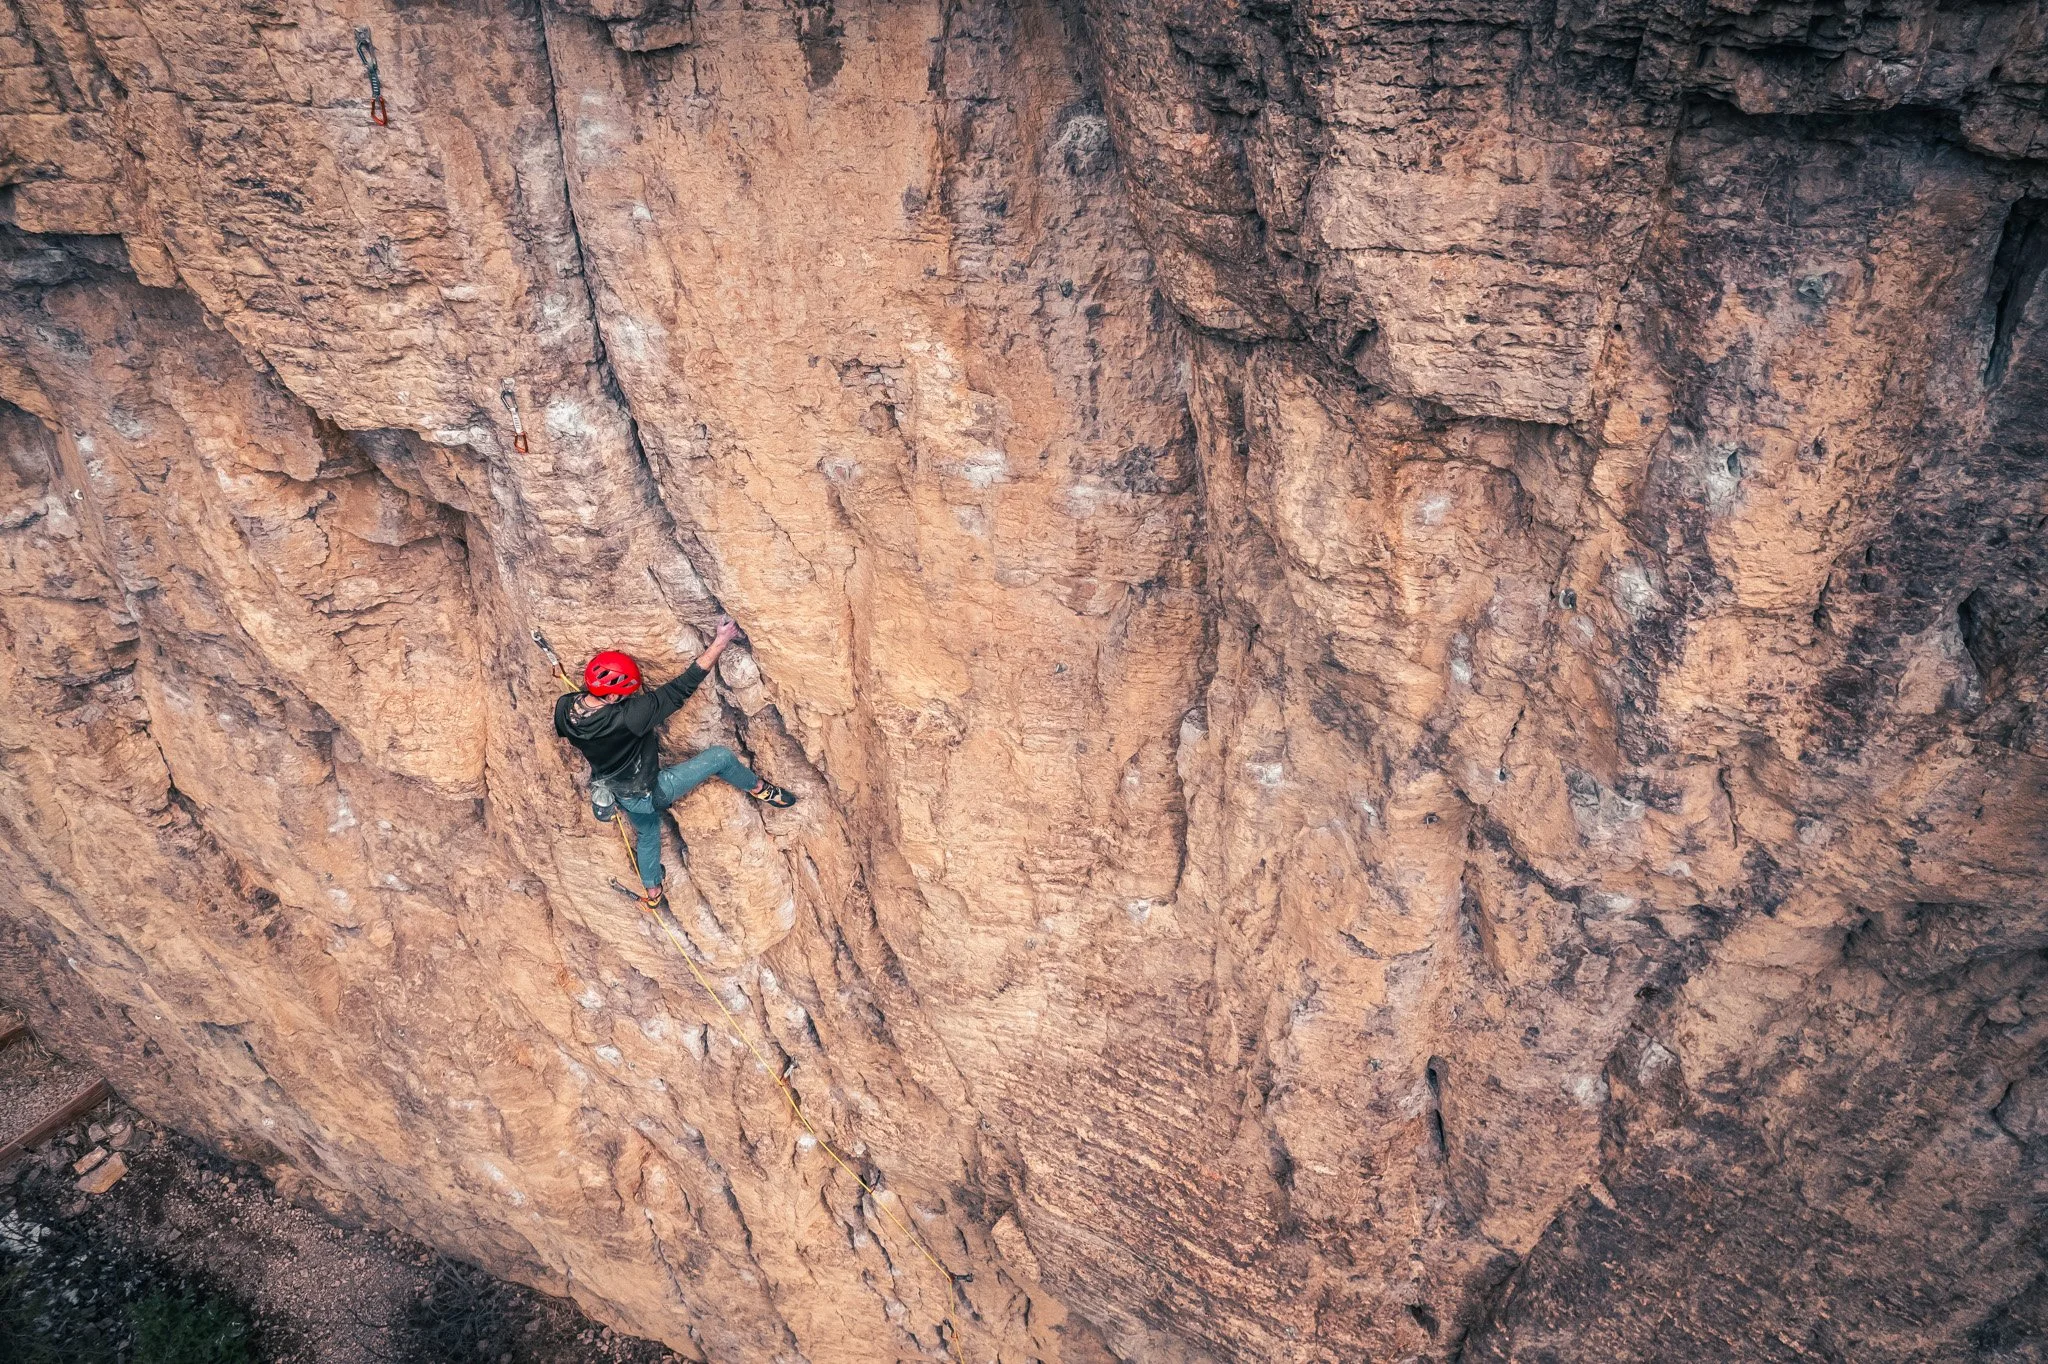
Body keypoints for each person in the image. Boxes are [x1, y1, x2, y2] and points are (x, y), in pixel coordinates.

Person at [553, 619, 796, 911]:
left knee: (647, 834)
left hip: (617, 790)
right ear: (615, 696)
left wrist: (562, 676)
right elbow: (679, 689)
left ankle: (653, 893)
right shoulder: (630, 717)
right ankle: (759, 789)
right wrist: (720, 641)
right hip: (650, 790)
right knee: (720, 757)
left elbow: (581, 708)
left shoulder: (565, 708)